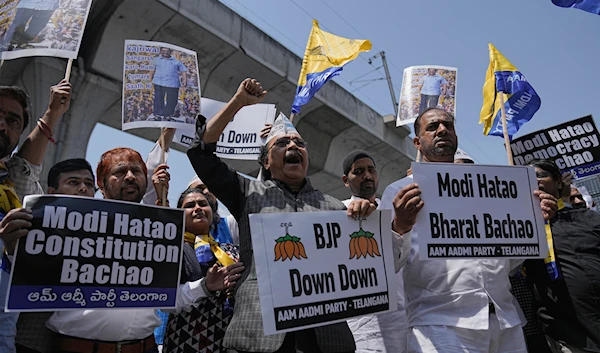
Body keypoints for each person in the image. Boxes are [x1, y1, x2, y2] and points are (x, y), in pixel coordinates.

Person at [187, 78, 398, 353]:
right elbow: (201, 153)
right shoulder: (247, 193)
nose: (293, 146)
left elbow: (372, 264)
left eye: (299, 143)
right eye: (282, 143)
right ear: (265, 161)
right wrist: (238, 103)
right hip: (260, 337)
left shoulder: (335, 207)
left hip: (325, 340)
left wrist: (364, 218)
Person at [380, 107, 557, 353]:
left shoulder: (489, 188)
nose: (442, 129)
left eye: (448, 125)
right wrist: (400, 225)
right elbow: (385, 264)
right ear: (418, 142)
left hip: (505, 323)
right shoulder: (400, 192)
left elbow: (511, 262)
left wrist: (533, 224)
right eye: (432, 127)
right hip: (441, 327)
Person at [0, 80, 72, 353]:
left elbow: (25, 166)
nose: (2, 125)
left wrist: (53, 113)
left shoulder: (10, 190)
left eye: (13, 120)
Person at [15, 158, 96, 353]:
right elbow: (22, 173)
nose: (83, 188)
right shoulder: (33, 223)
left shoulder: (107, 239)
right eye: (73, 183)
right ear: (52, 192)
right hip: (30, 341)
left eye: (89, 184)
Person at [525, 159, 600, 353]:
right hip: (567, 335)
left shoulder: (589, 219)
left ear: (559, 182)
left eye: (540, 175)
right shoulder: (522, 229)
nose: (534, 181)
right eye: (527, 178)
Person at [341, 150, 408, 353]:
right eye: (359, 171)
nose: (367, 176)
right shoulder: (338, 213)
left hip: (401, 319)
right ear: (346, 180)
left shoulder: (395, 211)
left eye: (371, 170)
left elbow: (403, 257)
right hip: (362, 324)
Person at [163, 188, 244, 352]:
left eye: (203, 203)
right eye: (190, 205)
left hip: (229, 342)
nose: (198, 208)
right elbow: (166, 302)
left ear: (213, 213)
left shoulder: (231, 250)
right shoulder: (171, 250)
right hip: (186, 342)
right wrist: (205, 287)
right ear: (180, 216)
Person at [149, 47, 188, 121]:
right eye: (163, 50)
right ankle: (158, 114)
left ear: (171, 52)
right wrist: (149, 79)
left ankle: (168, 115)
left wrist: (185, 80)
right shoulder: (156, 60)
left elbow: (183, 70)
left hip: (173, 83)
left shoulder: (177, 61)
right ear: (160, 51)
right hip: (159, 82)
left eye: (167, 51)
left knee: (172, 100)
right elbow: (151, 70)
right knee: (158, 99)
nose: (165, 52)